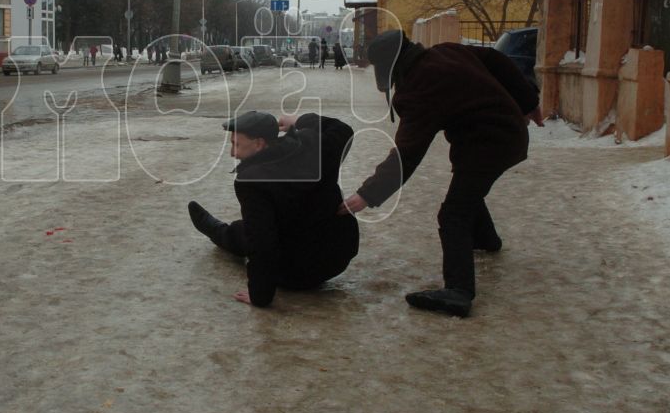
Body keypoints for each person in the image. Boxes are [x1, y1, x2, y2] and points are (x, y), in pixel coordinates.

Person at [339, 30, 543, 318]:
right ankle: (486, 239)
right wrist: (529, 102)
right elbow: (496, 60)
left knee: (453, 214)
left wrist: (367, 195)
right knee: (467, 188)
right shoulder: (447, 51)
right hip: (503, 135)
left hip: (489, 144)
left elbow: (406, 154)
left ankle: (459, 291)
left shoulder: (419, 88)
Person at [188, 110, 360, 308]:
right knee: (263, 225)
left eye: (236, 145)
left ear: (259, 143)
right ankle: (222, 231)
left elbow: (262, 243)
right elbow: (343, 130)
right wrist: (300, 120)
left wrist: (260, 296)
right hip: (338, 257)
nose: (232, 153)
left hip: (293, 273)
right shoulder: (313, 144)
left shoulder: (252, 181)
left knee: (247, 231)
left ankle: (217, 231)